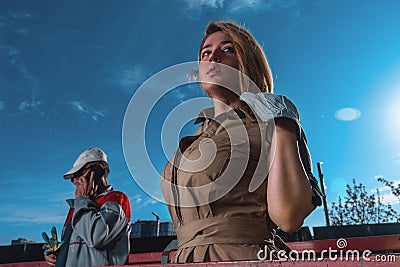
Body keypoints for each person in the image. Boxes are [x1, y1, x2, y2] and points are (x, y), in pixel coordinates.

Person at [161, 21, 323, 263]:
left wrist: (284, 126)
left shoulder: (272, 124)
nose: (212, 56)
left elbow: (289, 217)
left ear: (248, 63)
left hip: (245, 257)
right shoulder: (193, 138)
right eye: (205, 52)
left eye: (227, 49)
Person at [44, 147, 131, 267]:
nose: (74, 181)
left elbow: (97, 237)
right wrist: (56, 254)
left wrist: (82, 199)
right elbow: (78, 249)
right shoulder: (77, 206)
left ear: (98, 171)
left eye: (78, 174)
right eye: (72, 178)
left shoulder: (116, 199)